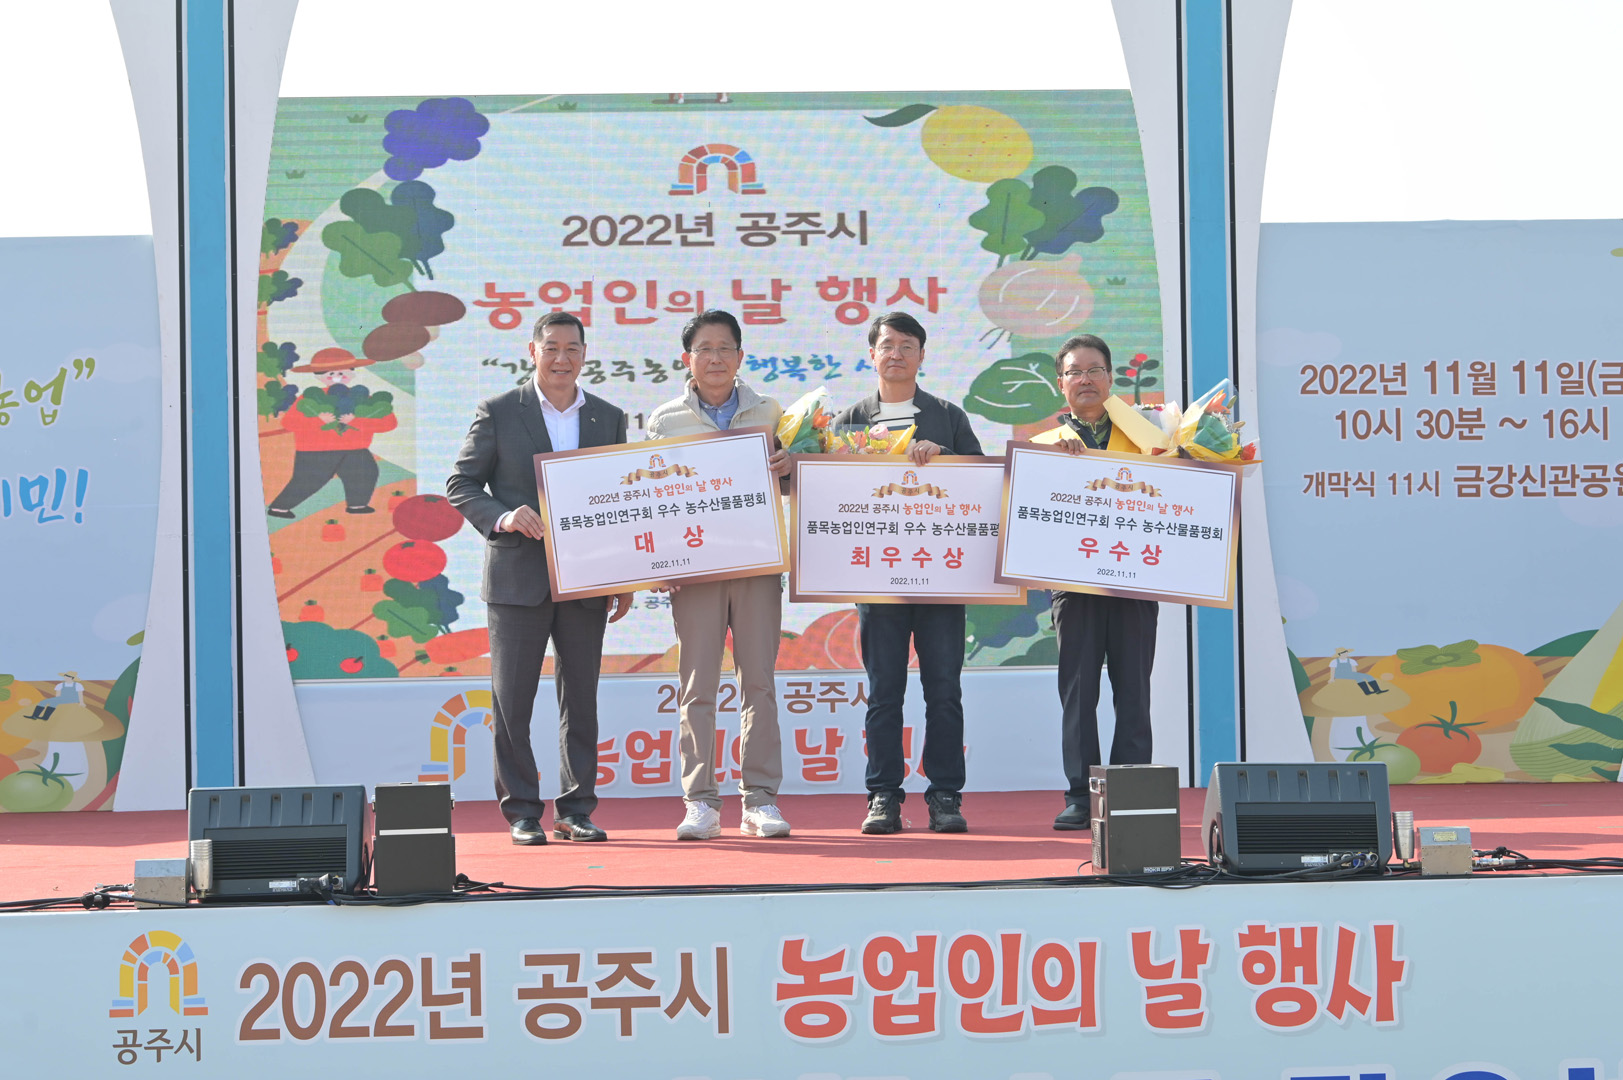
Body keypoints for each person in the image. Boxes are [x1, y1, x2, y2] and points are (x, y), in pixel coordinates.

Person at [446, 311, 632, 846]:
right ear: (533, 352)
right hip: (516, 577)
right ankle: (523, 811)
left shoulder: (607, 417)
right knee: (513, 701)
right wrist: (505, 516)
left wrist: (622, 576)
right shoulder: (500, 410)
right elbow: (462, 484)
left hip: (586, 580)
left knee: (582, 700)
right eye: (551, 347)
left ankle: (576, 810)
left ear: (585, 354)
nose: (561, 358)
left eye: (572, 348)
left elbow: (622, 500)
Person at [831, 311, 982, 835]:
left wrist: (945, 457)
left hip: (941, 577)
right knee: (883, 691)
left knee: (944, 689)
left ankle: (945, 794)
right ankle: (883, 795)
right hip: (878, 579)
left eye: (907, 345)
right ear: (871, 354)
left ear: (922, 355)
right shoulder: (849, 421)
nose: (896, 354)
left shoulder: (948, 416)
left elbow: (982, 484)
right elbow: (833, 497)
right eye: (887, 345)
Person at [646, 309, 794, 841]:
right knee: (697, 686)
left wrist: (791, 467)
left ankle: (760, 800)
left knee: (759, 684)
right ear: (687, 359)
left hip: (757, 564)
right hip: (695, 571)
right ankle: (700, 802)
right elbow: (649, 497)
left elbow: (789, 483)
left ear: (740, 356)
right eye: (704, 349)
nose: (715, 358)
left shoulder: (770, 411)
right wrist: (656, 561)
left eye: (724, 348)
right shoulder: (665, 420)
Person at [1032, 334, 1157, 830]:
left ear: (1111, 378)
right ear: (1060, 383)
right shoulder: (1041, 448)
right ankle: (1080, 797)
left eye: (1094, 370)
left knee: (1134, 691)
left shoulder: (1150, 437)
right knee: (1079, 693)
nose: (1085, 379)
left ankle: (1129, 793)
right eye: (1074, 372)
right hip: (1075, 587)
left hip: (1135, 581)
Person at [267, 348, 397, 518]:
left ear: (352, 374)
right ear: (318, 376)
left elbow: (389, 423)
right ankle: (279, 508)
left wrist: (356, 421)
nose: (337, 377)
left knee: (365, 473)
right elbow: (289, 423)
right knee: (309, 480)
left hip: (356, 449)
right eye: (331, 374)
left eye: (343, 372)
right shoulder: (309, 398)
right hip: (315, 450)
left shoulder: (364, 398)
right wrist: (318, 420)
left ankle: (357, 505)